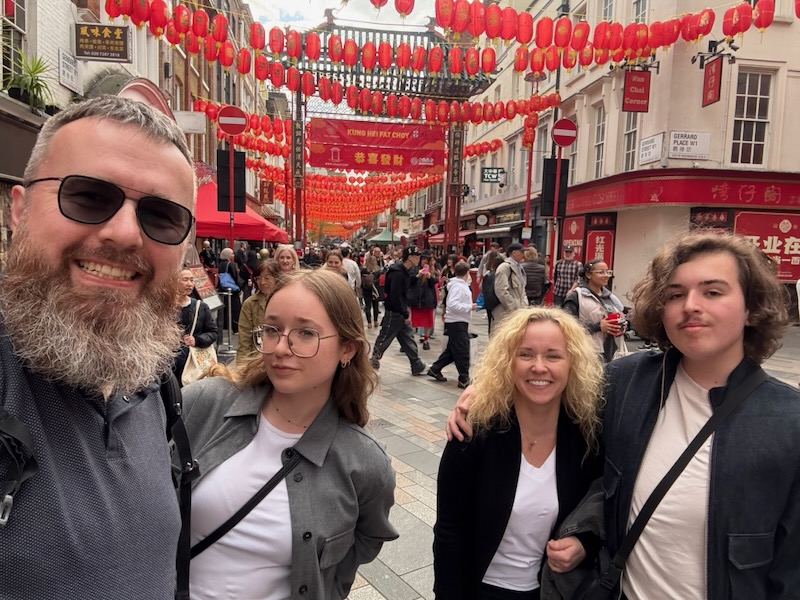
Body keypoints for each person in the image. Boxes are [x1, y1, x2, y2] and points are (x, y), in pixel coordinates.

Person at [450, 231, 800, 599]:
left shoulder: (787, 424)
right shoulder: (627, 382)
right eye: (675, 294)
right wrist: (484, 394)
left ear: (751, 307)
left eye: (713, 292)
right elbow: (554, 390)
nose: (690, 306)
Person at [0, 95, 196, 598]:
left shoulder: (152, 380)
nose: (126, 233)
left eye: (161, 216)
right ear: (18, 209)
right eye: (88, 196)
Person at [180, 268, 398, 599]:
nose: (281, 347)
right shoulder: (205, 404)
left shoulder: (364, 461)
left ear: (347, 349)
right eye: (272, 330)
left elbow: (365, 542)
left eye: (306, 333)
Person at [434, 306, 605, 600]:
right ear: (507, 362)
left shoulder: (586, 435)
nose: (539, 367)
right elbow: (450, 530)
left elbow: (603, 507)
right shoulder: (473, 432)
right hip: (481, 592)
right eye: (525, 354)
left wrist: (584, 546)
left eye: (553, 356)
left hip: (551, 591)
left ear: (573, 364)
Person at [370, 245, 427, 376]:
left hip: (400, 311)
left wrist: (417, 277)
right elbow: (395, 296)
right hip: (394, 311)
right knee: (385, 337)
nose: (418, 259)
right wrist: (405, 313)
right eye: (417, 256)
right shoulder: (397, 272)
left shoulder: (404, 271)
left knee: (407, 338)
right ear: (410, 257)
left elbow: (404, 285)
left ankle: (417, 365)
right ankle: (373, 362)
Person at [562, 258, 626, 364]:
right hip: (586, 352)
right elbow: (566, 325)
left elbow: (616, 318)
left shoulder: (609, 297)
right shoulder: (577, 296)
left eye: (608, 272)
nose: (606, 275)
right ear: (588, 275)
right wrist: (598, 326)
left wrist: (620, 326)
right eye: (601, 272)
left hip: (608, 352)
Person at [427, 261, 474, 389]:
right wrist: (469, 307)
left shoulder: (457, 285)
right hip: (457, 321)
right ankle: (463, 378)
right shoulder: (459, 287)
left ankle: (435, 369)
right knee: (462, 349)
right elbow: (453, 304)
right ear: (467, 273)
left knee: (453, 349)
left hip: (457, 321)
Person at [173, 267, 218, 385]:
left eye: (192, 280)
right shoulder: (165, 307)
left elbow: (213, 332)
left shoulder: (200, 307)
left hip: (193, 362)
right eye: (185, 280)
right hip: (171, 364)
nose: (189, 284)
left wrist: (197, 340)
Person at [236, 259, 281, 363]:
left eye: (267, 278)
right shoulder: (250, 303)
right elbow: (244, 340)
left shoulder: (288, 301)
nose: (262, 282)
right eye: (258, 278)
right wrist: (242, 367)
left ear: (277, 278)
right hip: (258, 360)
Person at [409, 252, 439, 351]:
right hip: (415, 298)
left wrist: (430, 277)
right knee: (411, 321)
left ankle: (426, 340)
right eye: (423, 259)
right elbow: (409, 281)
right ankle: (409, 341)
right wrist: (418, 275)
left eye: (427, 260)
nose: (425, 262)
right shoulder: (414, 268)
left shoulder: (433, 270)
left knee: (427, 321)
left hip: (427, 299)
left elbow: (436, 282)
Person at [492, 242, 528, 325]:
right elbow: (501, 290)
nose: (523, 254)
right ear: (514, 252)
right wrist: (513, 306)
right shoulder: (504, 267)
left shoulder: (520, 267)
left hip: (519, 310)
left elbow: (522, 289)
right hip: (506, 310)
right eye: (522, 252)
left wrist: (524, 305)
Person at [218, 247, 242, 334]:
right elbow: (235, 277)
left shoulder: (220, 264)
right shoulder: (230, 264)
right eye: (232, 253)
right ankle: (235, 327)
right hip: (232, 290)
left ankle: (225, 325)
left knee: (225, 308)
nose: (233, 255)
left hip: (223, 288)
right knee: (235, 309)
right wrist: (239, 287)